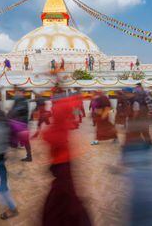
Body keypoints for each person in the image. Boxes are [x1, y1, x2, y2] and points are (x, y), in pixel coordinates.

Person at [42, 89, 92, 226]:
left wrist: (77, 117)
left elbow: (73, 110)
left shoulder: (61, 107)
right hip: (62, 160)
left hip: (63, 161)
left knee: (64, 197)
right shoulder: (61, 106)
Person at [8, 87, 32, 161]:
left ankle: (29, 156)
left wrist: (8, 116)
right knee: (13, 138)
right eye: (16, 92)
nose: (16, 93)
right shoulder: (19, 100)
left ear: (22, 93)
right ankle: (16, 148)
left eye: (18, 92)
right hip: (18, 124)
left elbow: (15, 111)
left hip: (21, 124)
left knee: (25, 141)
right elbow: (13, 110)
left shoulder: (22, 101)